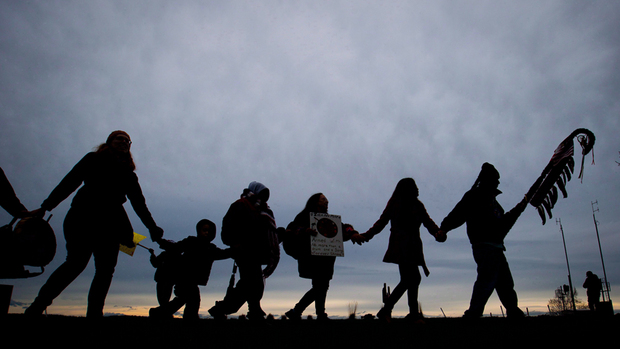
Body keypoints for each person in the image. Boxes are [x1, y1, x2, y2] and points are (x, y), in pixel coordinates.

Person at [25, 131, 164, 318]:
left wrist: (152, 228)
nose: (124, 142)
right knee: (75, 264)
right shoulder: (93, 159)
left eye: (127, 141)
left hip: (111, 226)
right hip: (82, 218)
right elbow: (69, 182)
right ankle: (36, 308)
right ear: (109, 142)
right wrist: (46, 207)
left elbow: (139, 204)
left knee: (105, 271)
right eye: (119, 138)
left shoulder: (129, 175)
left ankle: (94, 315)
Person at [436, 163, 527, 319]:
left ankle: (512, 309)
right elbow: (458, 213)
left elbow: (502, 224)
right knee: (487, 279)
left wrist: (519, 208)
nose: (498, 183)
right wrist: (444, 228)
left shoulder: (494, 203)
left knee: (504, 281)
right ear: (487, 180)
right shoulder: (474, 196)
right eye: (495, 180)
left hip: (497, 246)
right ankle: (474, 312)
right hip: (483, 245)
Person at [360, 178, 440, 323]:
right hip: (401, 246)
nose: (417, 189)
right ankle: (403, 313)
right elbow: (382, 221)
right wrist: (367, 235)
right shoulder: (395, 203)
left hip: (414, 246)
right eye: (414, 186)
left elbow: (428, 222)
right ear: (406, 189)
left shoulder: (418, 205)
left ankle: (399, 312)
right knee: (412, 278)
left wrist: (437, 232)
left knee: (410, 279)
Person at [283, 193, 364, 321]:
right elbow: (293, 229)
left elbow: (342, 228)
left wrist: (352, 233)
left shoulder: (330, 219)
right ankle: (315, 313)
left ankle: (302, 312)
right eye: (323, 199)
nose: (327, 202)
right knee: (320, 286)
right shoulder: (304, 216)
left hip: (327, 258)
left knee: (321, 286)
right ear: (315, 202)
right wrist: (305, 231)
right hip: (311, 257)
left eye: (327, 200)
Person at [209, 182, 280, 321]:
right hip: (244, 251)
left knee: (252, 283)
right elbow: (228, 226)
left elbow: (263, 232)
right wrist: (235, 244)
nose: (264, 197)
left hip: (255, 252)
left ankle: (249, 310)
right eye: (262, 193)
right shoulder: (241, 204)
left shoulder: (260, 209)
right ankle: (242, 310)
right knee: (252, 282)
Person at [149, 219, 231, 320]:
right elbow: (175, 247)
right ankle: (163, 313)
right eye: (204, 230)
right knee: (192, 299)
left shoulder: (211, 249)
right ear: (198, 230)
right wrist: (160, 241)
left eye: (209, 231)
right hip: (183, 278)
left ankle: (160, 313)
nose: (206, 233)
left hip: (191, 281)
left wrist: (235, 251)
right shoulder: (191, 242)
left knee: (186, 299)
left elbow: (223, 254)